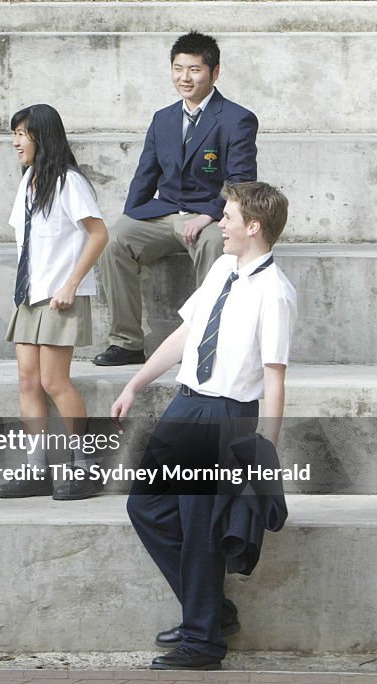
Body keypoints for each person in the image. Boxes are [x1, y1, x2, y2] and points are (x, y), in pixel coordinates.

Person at [111, 181, 296, 670]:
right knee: (146, 507)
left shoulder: (275, 292)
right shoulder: (219, 268)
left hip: (225, 417)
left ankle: (203, 642)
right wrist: (136, 383)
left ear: (253, 226)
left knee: (198, 529)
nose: (222, 223)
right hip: (184, 406)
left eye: (229, 216)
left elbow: (275, 379)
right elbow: (187, 333)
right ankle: (212, 611)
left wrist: (265, 454)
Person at [94, 31, 258, 367]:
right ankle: (126, 343)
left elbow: (241, 181)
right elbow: (145, 175)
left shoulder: (236, 118)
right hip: (163, 212)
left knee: (216, 243)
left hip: (209, 215)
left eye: (195, 69)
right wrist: (130, 218)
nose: (185, 77)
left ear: (214, 73)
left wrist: (209, 215)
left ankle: (206, 339)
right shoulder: (163, 118)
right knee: (114, 241)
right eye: (178, 68)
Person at [0, 105, 108, 502]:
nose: (15, 142)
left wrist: (71, 284)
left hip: (59, 297)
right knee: (27, 380)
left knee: (53, 381)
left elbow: (98, 235)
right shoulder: (29, 181)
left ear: (43, 136)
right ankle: (37, 465)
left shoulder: (70, 183)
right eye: (15, 134)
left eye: (22, 133)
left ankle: (85, 465)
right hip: (29, 295)